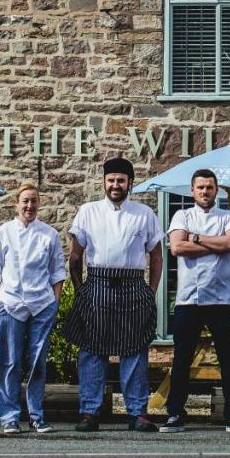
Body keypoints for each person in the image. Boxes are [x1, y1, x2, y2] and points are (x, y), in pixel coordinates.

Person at [63, 157, 165, 433]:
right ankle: (89, 412)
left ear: (130, 183)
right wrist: (80, 289)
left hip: (133, 285)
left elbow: (156, 255)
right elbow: (76, 255)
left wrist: (150, 290)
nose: (115, 185)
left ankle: (137, 413)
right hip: (97, 283)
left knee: (135, 350)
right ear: (104, 182)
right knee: (92, 351)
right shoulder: (88, 211)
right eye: (111, 180)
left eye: (121, 180)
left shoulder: (144, 213)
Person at [161, 169, 230, 434]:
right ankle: (176, 414)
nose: (205, 191)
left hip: (221, 299)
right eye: (200, 187)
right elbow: (177, 247)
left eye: (209, 187)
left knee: (228, 360)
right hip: (189, 299)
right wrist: (217, 245)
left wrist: (197, 238)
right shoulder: (182, 215)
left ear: (216, 190)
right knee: (181, 360)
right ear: (192, 191)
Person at [0, 183, 67, 435]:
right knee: (8, 362)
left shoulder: (49, 234)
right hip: (9, 305)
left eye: (33, 201)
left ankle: (36, 416)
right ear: (16, 204)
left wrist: (55, 302)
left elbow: (57, 272)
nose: (29, 206)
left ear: (38, 204)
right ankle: (9, 417)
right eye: (25, 201)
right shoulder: (4, 232)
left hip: (41, 305)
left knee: (37, 363)